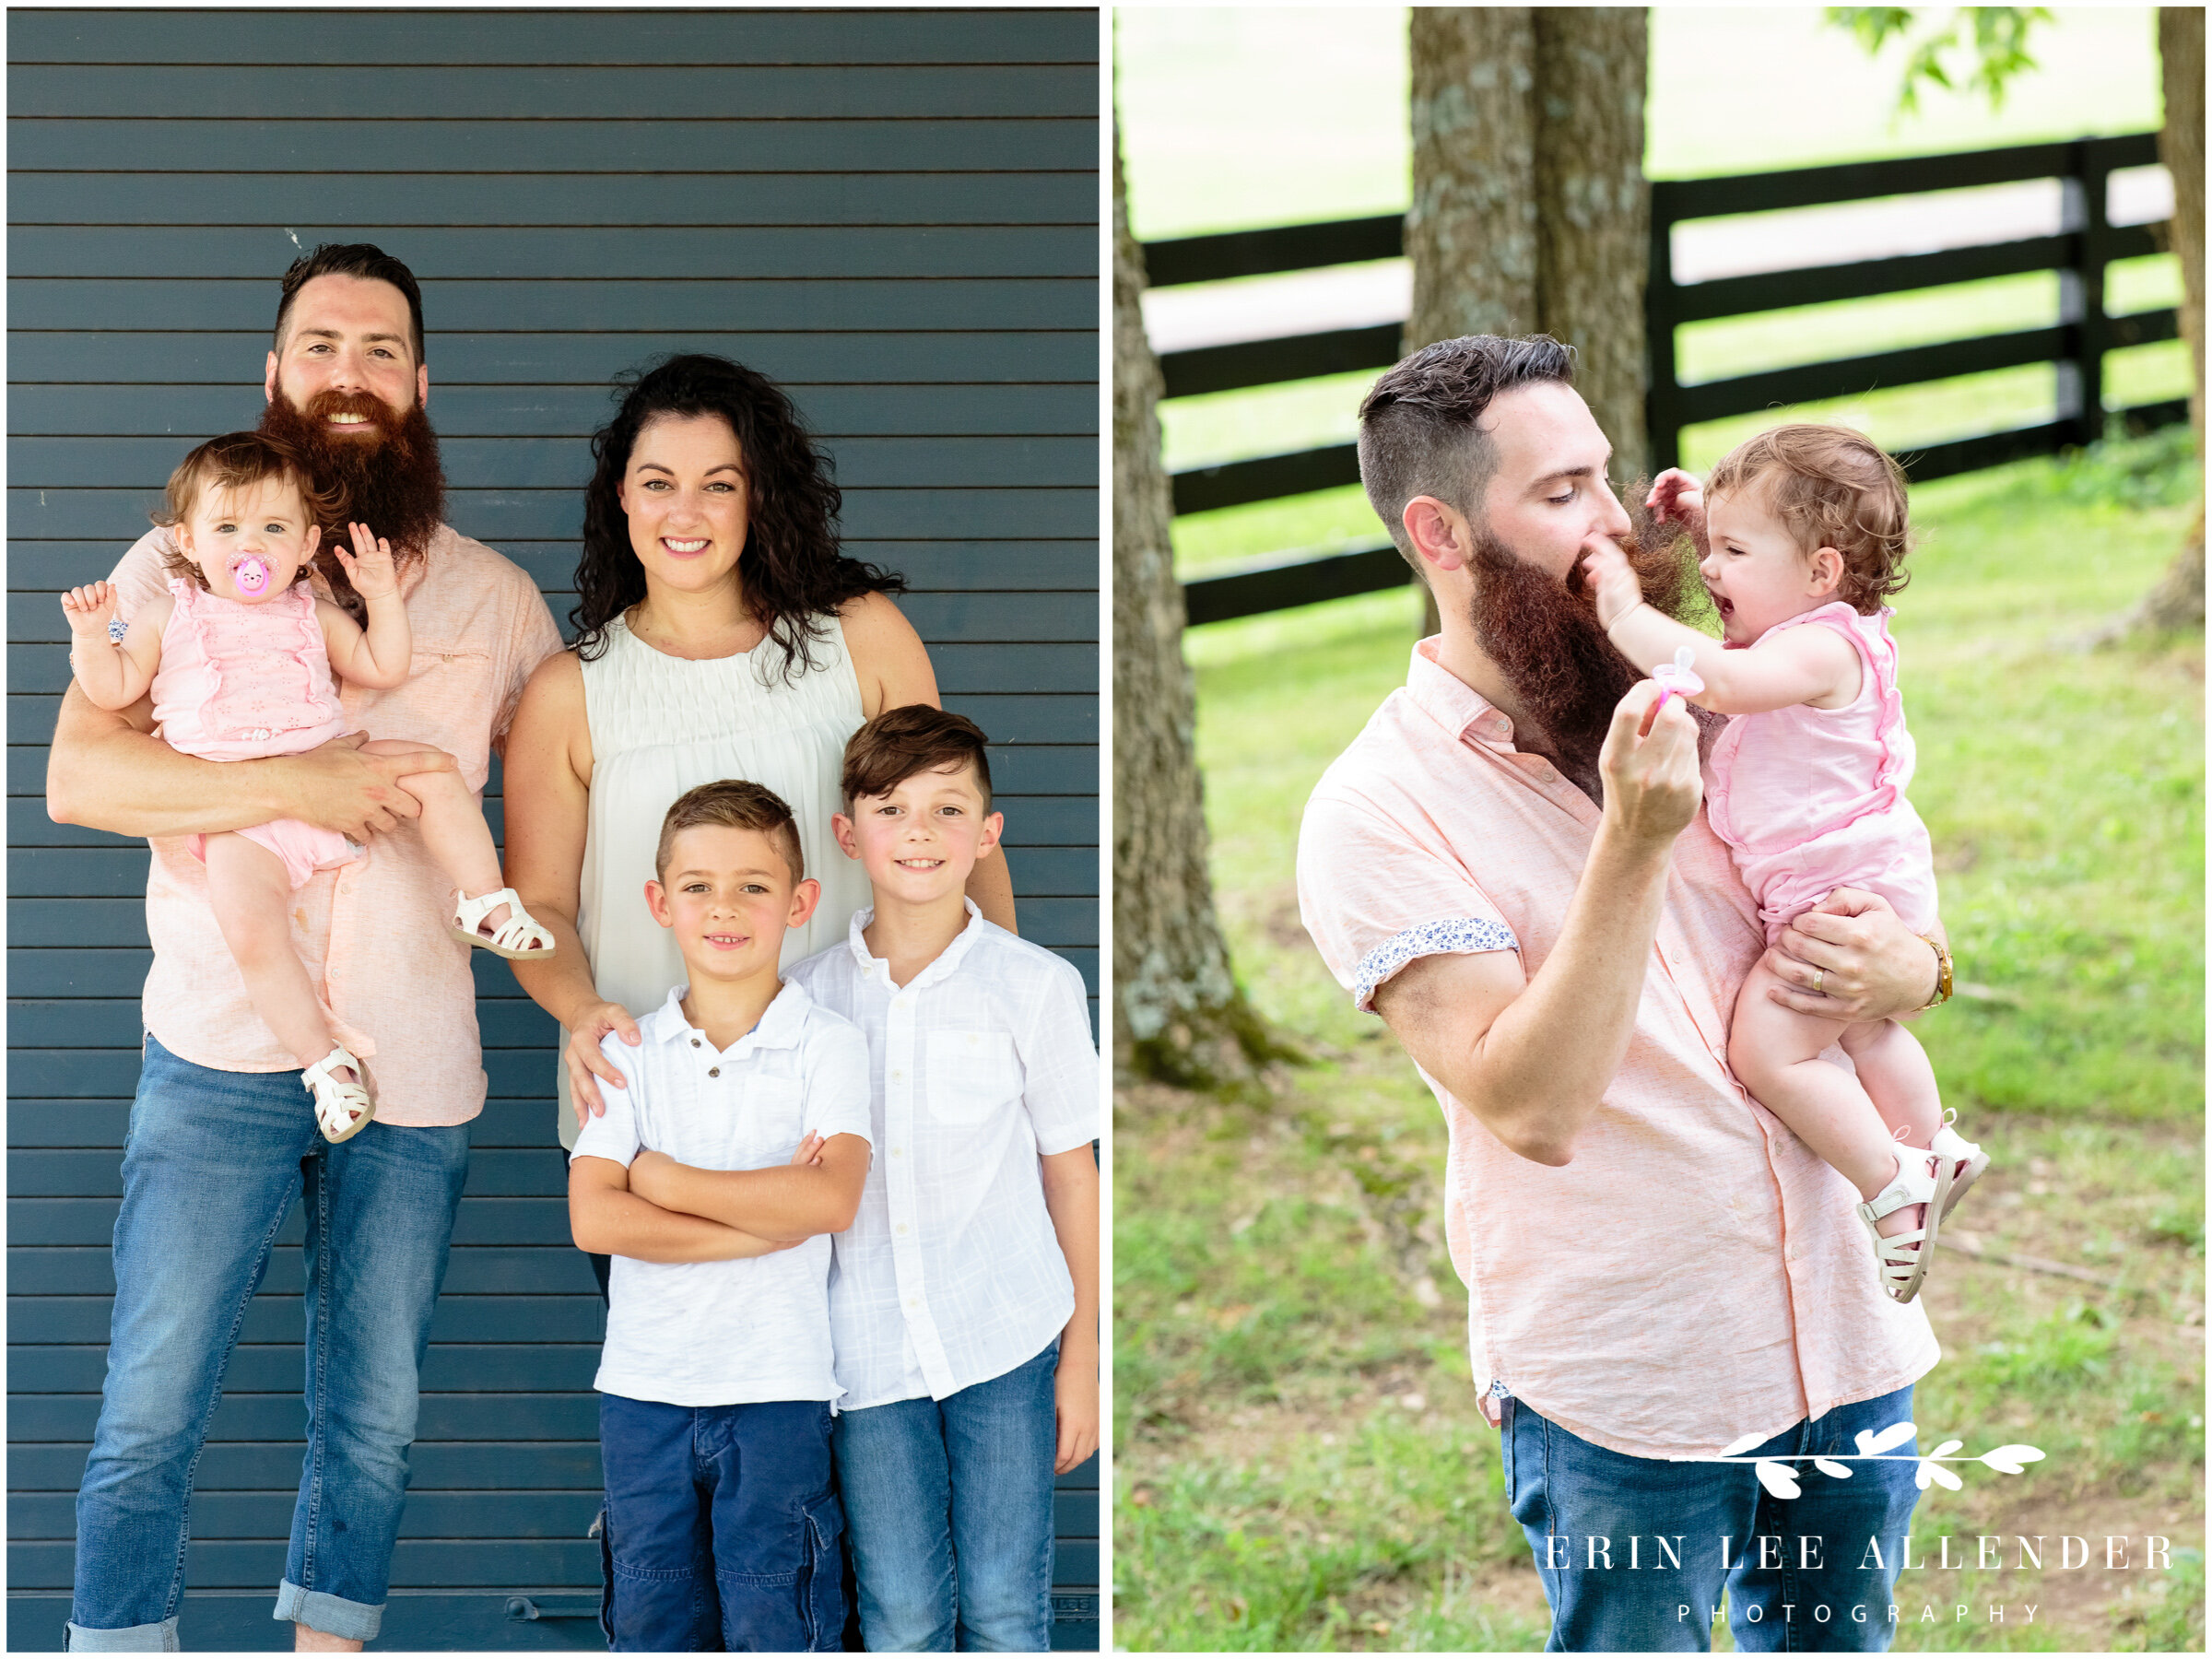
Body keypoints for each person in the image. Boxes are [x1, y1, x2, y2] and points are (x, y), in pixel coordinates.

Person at [1296, 335, 1955, 1653]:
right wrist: (1636, 842)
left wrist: (1919, 967)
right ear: (1441, 533)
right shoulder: (1376, 810)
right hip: (1632, 1392)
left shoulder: (1718, 697)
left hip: (1846, 1336)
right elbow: (1528, 1105)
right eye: (1558, 496)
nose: (1612, 523)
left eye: (1605, 477)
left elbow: (1867, 856)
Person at [47, 242, 563, 1653]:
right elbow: (82, 783)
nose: (352, 372)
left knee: (378, 1420)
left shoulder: (493, 602)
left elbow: (576, 805)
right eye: (323, 345)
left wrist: (600, 1006)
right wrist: (293, 791)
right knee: (150, 1410)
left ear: (418, 386)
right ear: (274, 378)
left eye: (382, 349)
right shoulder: (171, 569)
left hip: (419, 1067)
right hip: (221, 1045)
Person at [501, 355, 1019, 1291]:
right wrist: (581, 1013)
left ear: (759, 496)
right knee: (683, 1423)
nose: (685, 513)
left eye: (719, 485)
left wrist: (996, 1012)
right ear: (622, 495)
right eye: (658, 483)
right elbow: (536, 904)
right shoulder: (568, 693)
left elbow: (955, 843)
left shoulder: (857, 638)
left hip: (850, 1118)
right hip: (656, 1133)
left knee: (861, 1431)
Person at [1583, 425, 1987, 1305]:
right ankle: (1934, 1151)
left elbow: (1718, 683)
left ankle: (1891, 1188)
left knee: (1769, 1048)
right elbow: (1764, 579)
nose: (1711, 573)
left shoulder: (1817, 650)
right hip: (1863, 878)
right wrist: (1712, 523)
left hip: (1833, 895)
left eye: (1732, 552)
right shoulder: (1828, 627)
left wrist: (1622, 609)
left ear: (1822, 574)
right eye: (1712, 549)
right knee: (1865, 1030)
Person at [61, 433, 555, 1142]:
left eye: (273, 529)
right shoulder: (170, 613)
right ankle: (325, 1063)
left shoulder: (308, 611)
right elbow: (112, 688)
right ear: (189, 542)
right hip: (242, 813)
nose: (249, 546)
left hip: (332, 761)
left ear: (305, 546)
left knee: (436, 772)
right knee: (254, 936)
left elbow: (381, 665)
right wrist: (89, 637)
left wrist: (382, 598)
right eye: (226, 528)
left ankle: (482, 901)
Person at [787, 705, 1100, 1652]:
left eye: (948, 809)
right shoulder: (802, 1000)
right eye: (890, 809)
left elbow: (1074, 1180)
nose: (919, 831)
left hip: (1004, 1336)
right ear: (848, 836)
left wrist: (1083, 1360)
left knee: (1006, 1606)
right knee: (904, 1612)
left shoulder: (1037, 987)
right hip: (865, 1352)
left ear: (986, 836)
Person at [568, 780, 873, 1652]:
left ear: (800, 901)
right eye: (697, 886)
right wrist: (764, 1220)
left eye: (754, 885)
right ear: (660, 904)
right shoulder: (628, 1053)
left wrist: (662, 1178)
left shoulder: (828, 1046)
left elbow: (830, 1198)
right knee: (654, 1618)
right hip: (644, 1394)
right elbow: (597, 1221)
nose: (725, 907)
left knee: (777, 1613)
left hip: (778, 1389)